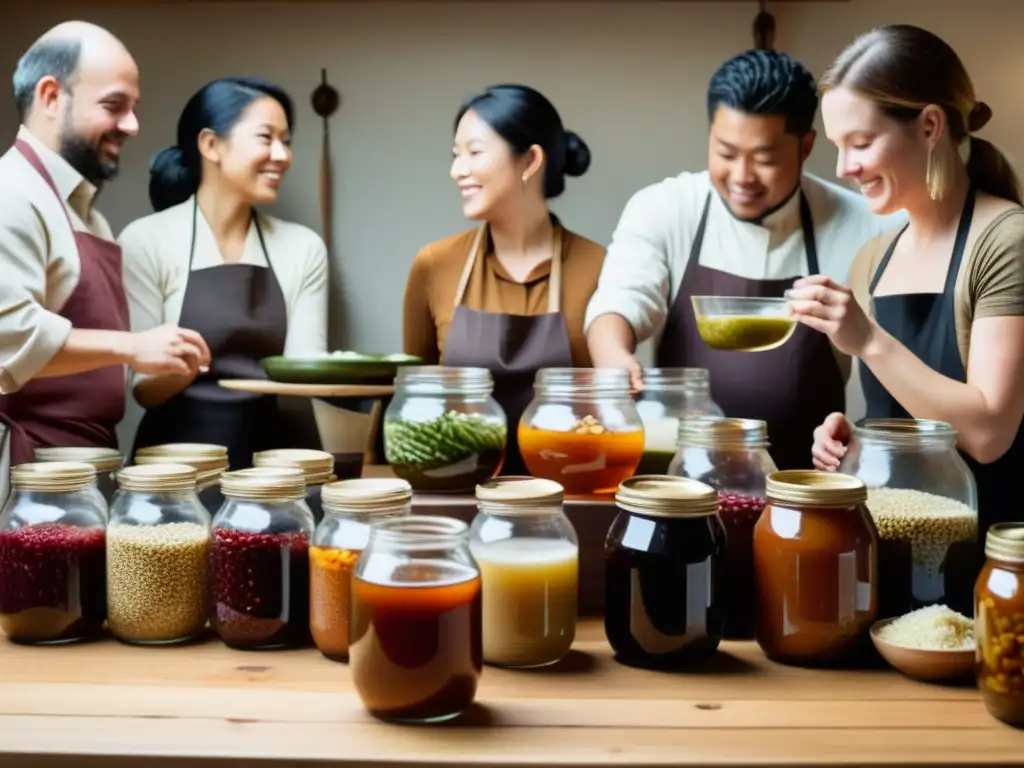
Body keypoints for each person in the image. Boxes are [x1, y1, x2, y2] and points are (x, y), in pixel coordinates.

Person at [584, 49, 903, 471]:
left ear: (806, 146)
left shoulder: (864, 225)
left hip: (807, 485)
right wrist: (614, 359)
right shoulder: (664, 208)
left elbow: (897, 361)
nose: (742, 177)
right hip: (683, 482)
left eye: (765, 159)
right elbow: (620, 300)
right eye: (726, 153)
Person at [787, 25, 1024, 540]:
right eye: (837, 146)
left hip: (993, 552)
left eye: (861, 143)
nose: (845, 167)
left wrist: (868, 341)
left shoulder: (1006, 240)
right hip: (891, 540)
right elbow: (907, 416)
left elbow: (987, 433)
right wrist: (854, 441)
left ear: (930, 126)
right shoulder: (872, 259)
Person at [0, 21, 210, 496]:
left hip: (83, 467)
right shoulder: (9, 194)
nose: (132, 126)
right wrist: (133, 346)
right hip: (26, 474)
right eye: (114, 106)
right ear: (51, 97)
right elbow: (10, 340)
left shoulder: (87, 214)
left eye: (134, 109)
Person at [118, 76, 329, 471]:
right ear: (211, 145)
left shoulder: (303, 247)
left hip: (277, 469)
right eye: (266, 138)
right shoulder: (146, 240)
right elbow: (143, 389)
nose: (282, 155)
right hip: (174, 471)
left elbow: (306, 372)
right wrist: (184, 364)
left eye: (287, 141)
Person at [402, 84, 605, 475]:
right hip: (458, 491)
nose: (456, 170)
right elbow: (414, 400)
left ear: (530, 160)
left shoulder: (600, 267)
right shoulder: (434, 264)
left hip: (571, 493)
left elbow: (614, 411)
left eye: (474, 153)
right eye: (455, 155)